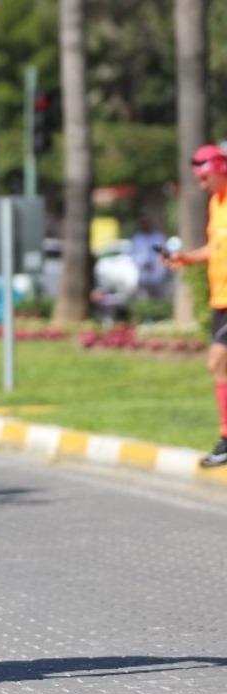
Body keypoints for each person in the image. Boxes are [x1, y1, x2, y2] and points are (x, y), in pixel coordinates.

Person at [164, 143, 227, 467]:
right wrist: (186, 258)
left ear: (220, 170)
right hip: (220, 300)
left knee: (217, 362)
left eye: (204, 179)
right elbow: (215, 249)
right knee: (220, 366)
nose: (201, 186)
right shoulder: (217, 204)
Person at [131, 218, 168, 301]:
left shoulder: (158, 237)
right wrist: (142, 263)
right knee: (144, 300)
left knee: (159, 299)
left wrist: (156, 264)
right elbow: (133, 255)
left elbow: (164, 253)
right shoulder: (137, 238)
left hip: (157, 275)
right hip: (143, 274)